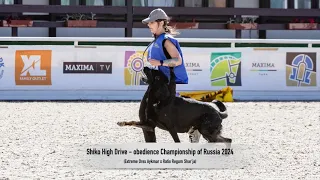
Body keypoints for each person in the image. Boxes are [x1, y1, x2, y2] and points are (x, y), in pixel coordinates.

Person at [139, 8, 201, 143]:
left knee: (157, 117)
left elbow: (177, 60)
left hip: (166, 85)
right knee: (145, 116)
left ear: (161, 23)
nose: (148, 25)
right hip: (156, 84)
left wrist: (160, 62)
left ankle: (193, 127)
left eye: (151, 23)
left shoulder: (166, 40)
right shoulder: (156, 40)